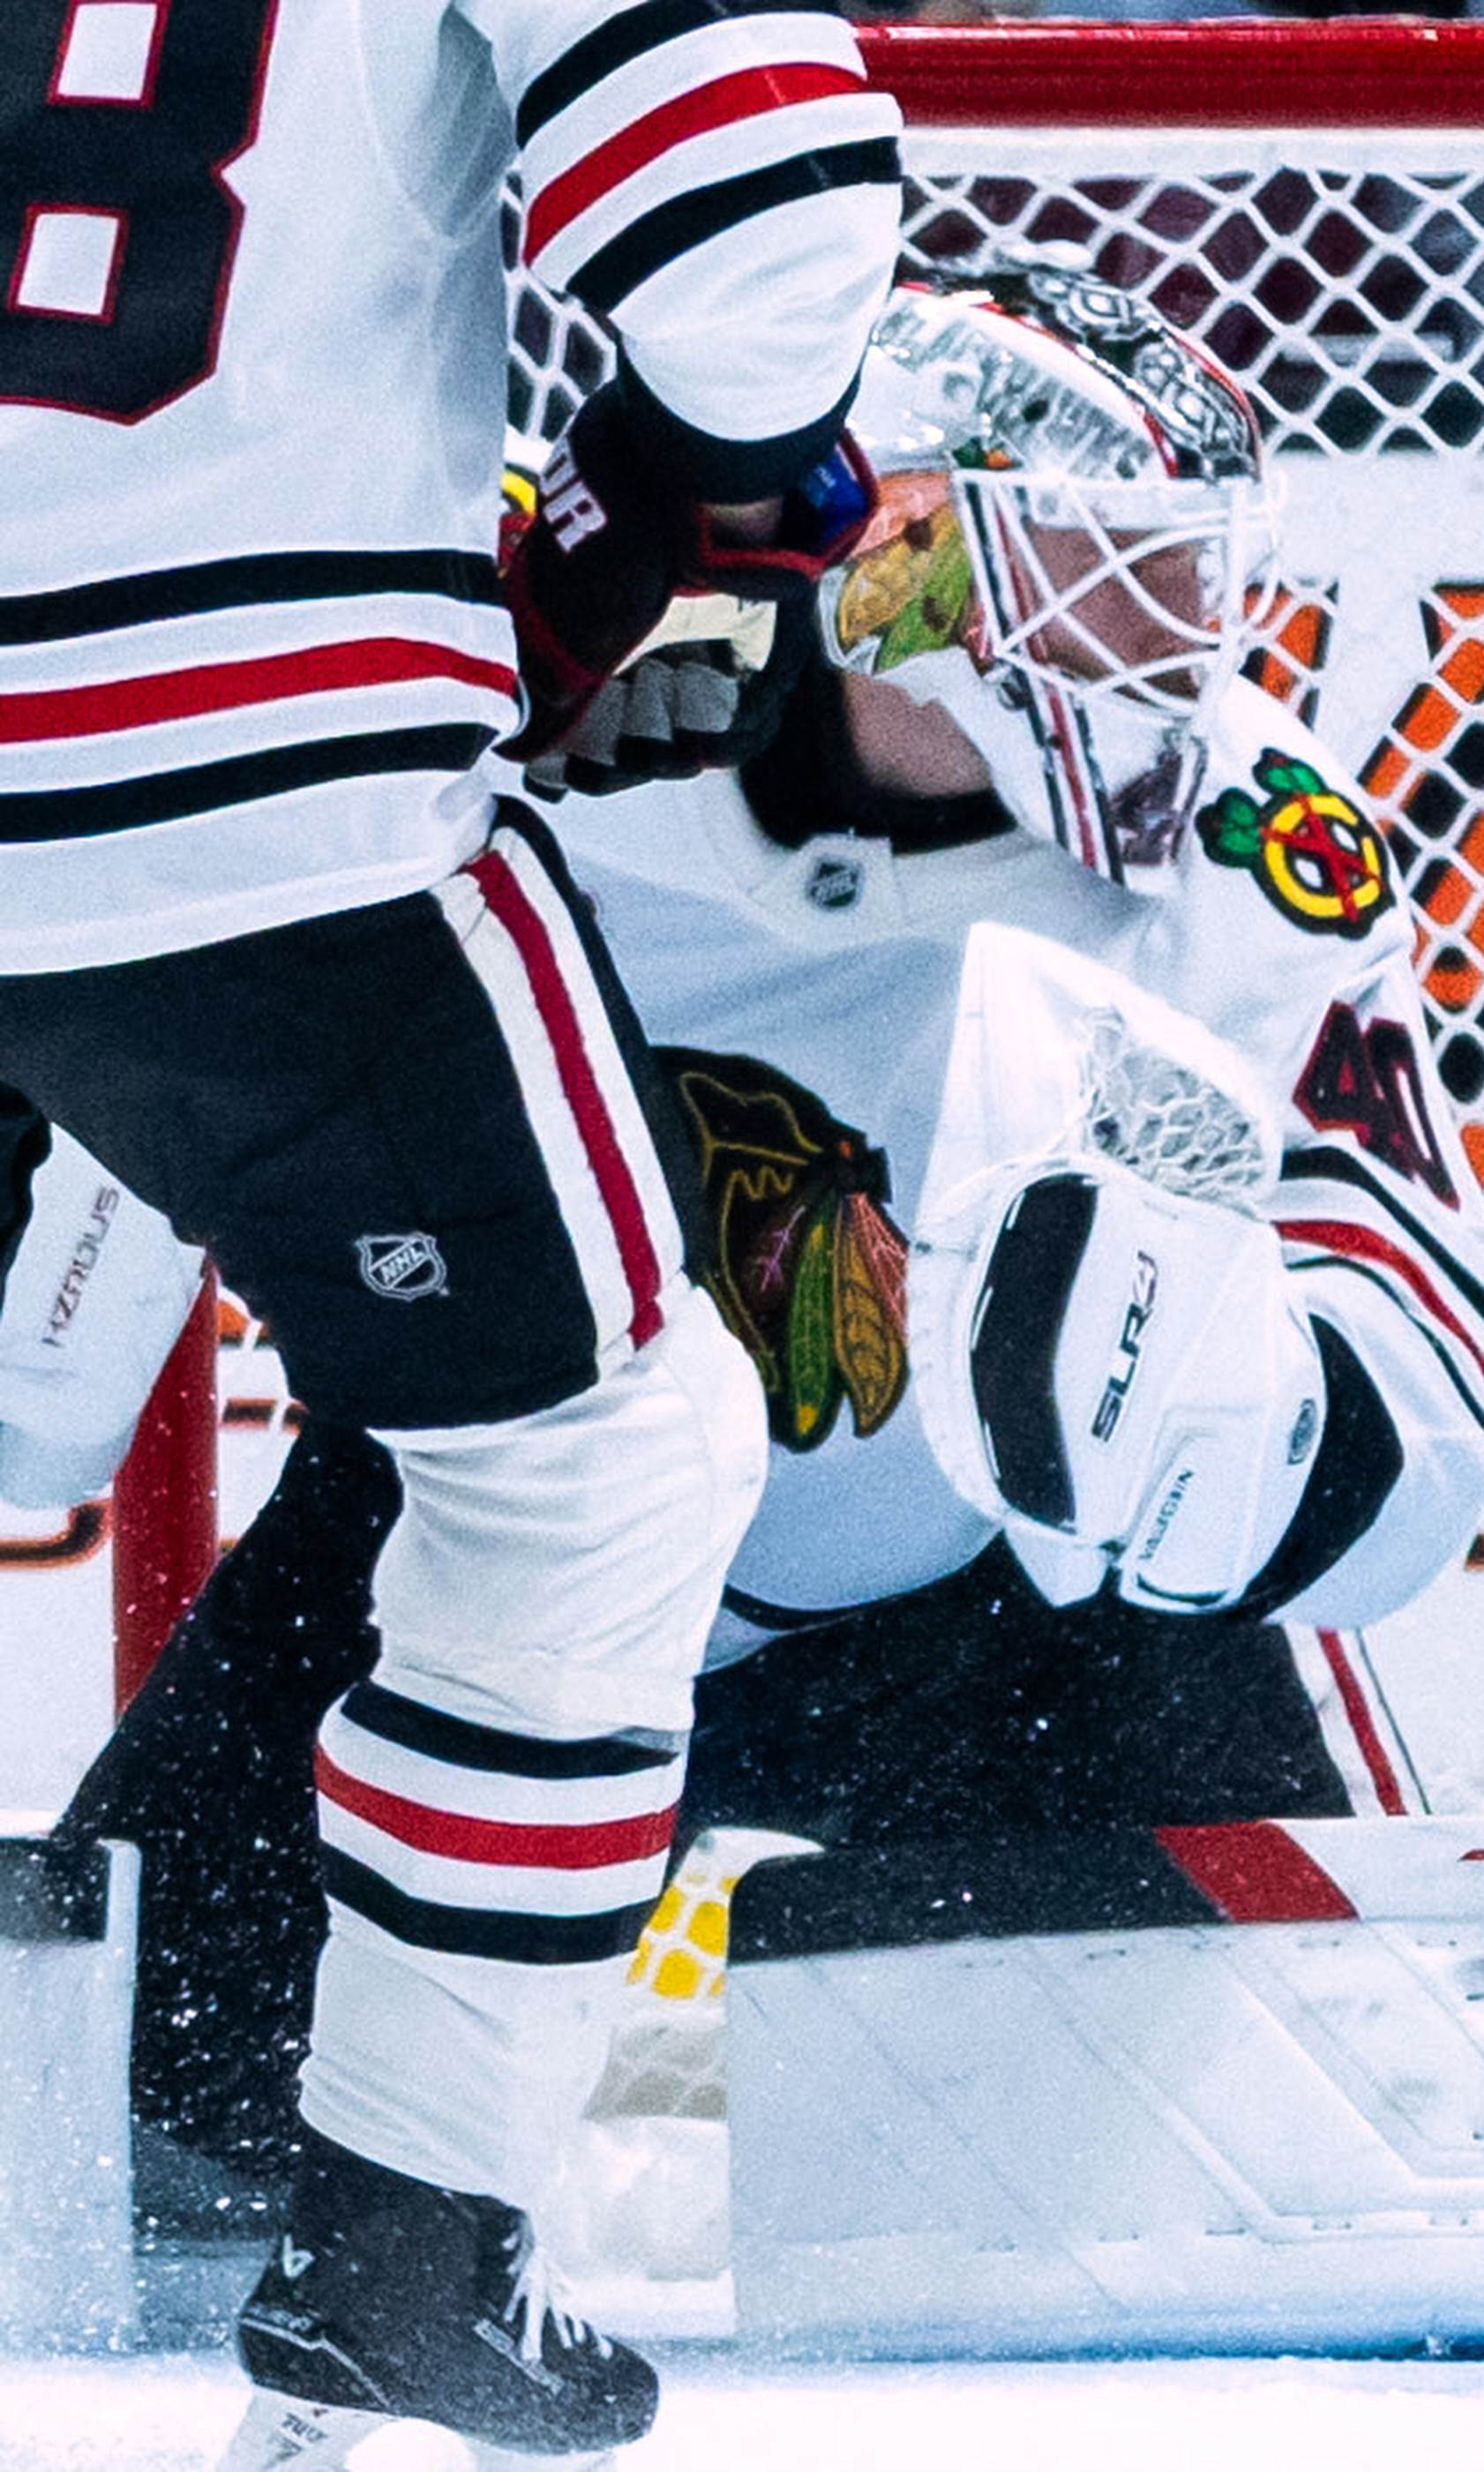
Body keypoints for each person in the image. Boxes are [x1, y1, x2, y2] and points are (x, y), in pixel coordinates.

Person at [47, 261, 1484, 2281]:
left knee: (1329, 2178)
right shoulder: (529, 716)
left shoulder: (1254, 853)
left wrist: (1240, 1426)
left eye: (1202, 588)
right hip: (492, 1531)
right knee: (110, 2133)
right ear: (903, 550)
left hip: (1015, 1617)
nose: (1179, 655)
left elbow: (1436, 1366)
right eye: (1114, 580)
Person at [0, 0, 899, 2450]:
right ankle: (406, 2236)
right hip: (252, 788)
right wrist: (652, 483)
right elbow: (761, 216)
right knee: (601, 1458)